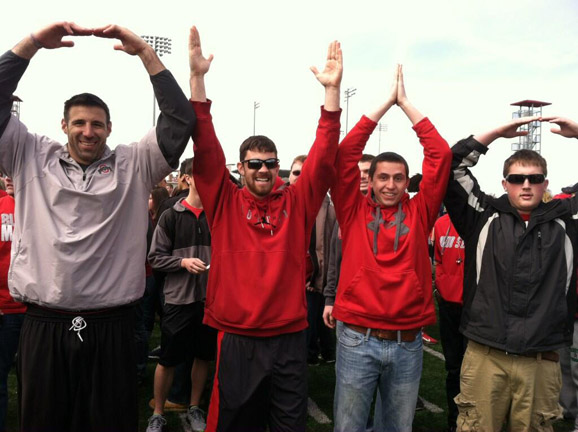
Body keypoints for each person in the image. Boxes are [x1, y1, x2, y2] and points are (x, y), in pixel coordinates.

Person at [0, 22, 194, 431]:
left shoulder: (134, 162)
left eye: (97, 124)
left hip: (112, 325)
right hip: (44, 321)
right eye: (79, 123)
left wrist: (144, 51)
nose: (88, 131)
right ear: (64, 125)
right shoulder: (28, 152)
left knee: (109, 422)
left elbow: (179, 120)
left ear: (109, 128)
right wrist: (32, 45)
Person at [188, 26, 342, 432]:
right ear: (240, 168)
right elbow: (205, 149)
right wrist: (198, 81)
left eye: (270, 163)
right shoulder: (224, 201)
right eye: (254, 163)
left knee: (289, 424)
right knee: (237, 423)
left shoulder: (297, 200)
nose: (263, 170)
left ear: (279, 168)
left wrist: (331, 96)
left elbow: (324, 160)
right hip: (238, 337)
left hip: (289, 337)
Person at [327, 65, 451, 432]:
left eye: (399, 178)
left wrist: (407, 104)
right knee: (348, 427)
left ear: (407, 181)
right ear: (371, 179)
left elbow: (440, 155)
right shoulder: (353, 209)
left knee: (397, 428)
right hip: (357, 337)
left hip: (407, 341)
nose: (391, 185)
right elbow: (344, 154)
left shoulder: (420, 210)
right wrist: (383, 104)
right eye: (383, 177)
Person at [444, 115, 578, 431]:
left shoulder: (567, 220)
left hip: (541, 360)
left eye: (535, 178)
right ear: (505, 183)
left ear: (546, 183)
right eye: (517, 179)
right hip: (484, 354)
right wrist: (492, 135)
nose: (526, 185)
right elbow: (450, 167)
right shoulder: (482, 215)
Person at [147, 160, 216, 432]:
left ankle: (195, 406)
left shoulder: (217, 213)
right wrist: (183, 263)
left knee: (202, 356)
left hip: (209, 300)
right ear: (187, 178)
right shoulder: (171, 215)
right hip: (178, 299)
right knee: (168, 358)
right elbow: (154, 258)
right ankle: (159, 412)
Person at [432, 212, 465, 432]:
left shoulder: (476, 218)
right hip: (448, 305)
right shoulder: (440, 223)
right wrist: (441, 289)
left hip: (474, 306)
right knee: (453, 367)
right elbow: (438, 260)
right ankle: (454, 421)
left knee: (475, 369)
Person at [0, 173, 24, 432]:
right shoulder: (0, 207)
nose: (8, 177)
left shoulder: (47, 206)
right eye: (4, 172)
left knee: (39, 379)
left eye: (13, 170)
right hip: (4, 309)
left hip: (39, 309)